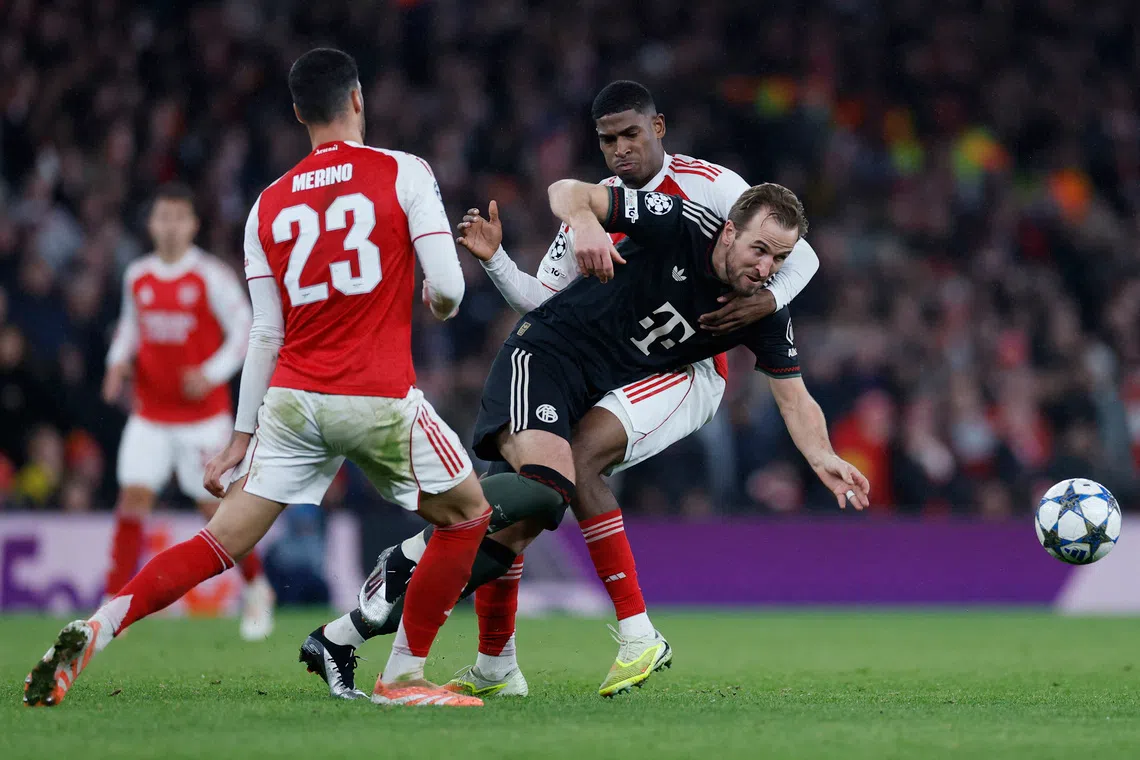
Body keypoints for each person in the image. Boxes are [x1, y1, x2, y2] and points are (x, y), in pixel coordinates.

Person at [305, 81, 824, 699]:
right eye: (608, 140)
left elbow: (801, 259)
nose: (621, 150)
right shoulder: (625, 211)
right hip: (552, 357)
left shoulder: (712, 193)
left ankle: (438, 649)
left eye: (632, 134)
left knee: (531, 510)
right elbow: (552, 266)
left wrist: (768, 300)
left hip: (658, 369)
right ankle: (421, 613)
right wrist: (525, 249)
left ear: (659, 129)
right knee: (539, 496)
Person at [23, 48, 489, 709]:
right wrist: (437, 302)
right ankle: (405, 677)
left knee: (220, 540)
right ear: (357, 99)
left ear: (299, 113)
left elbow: (265, 334)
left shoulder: (267, 204)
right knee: (469, 515)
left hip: (293, 401)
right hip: (376, 395)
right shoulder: (403, 172)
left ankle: (98, 627)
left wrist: (240, 439)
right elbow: (446, 290)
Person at [101, 183, 275, 641]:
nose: (171, 225)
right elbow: (130, 327)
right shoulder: (137, 275)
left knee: (217, 513)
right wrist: (116, 361)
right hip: (150, 415)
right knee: (132, 499)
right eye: (163, 216)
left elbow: (246, 329)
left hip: (203, 418)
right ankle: (111, 609)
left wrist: (212, 371)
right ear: (151, 223)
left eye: (180, 216)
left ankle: (258, 590)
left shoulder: (211, 276)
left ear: (193, 224)